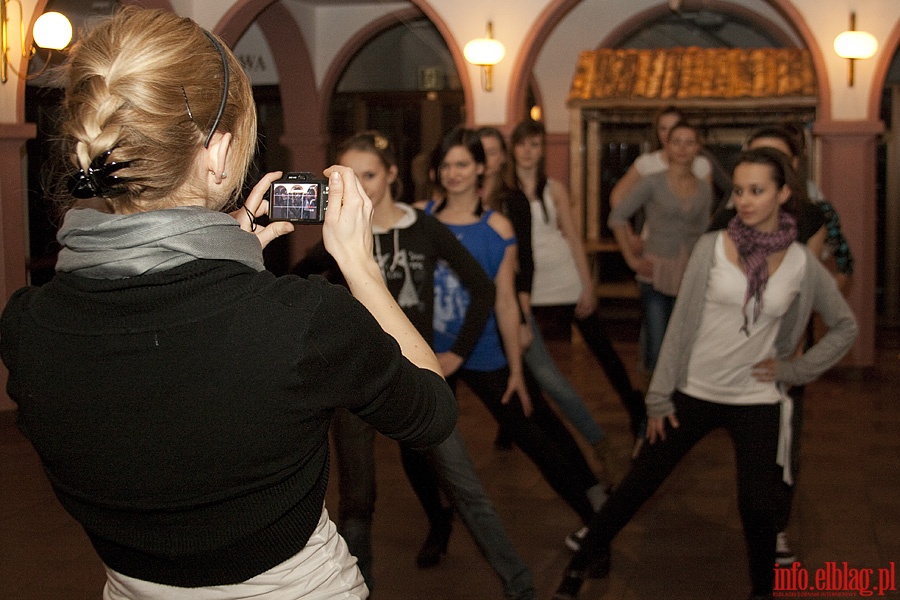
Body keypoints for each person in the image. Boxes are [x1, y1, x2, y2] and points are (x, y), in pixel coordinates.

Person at [0, 8, 457, 600]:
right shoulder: (301, 321)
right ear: (217, 153)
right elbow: (431, 411)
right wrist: (363, 269)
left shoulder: (26, 326)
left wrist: (227, 249)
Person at [554, 148, 858, 600]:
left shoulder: (800, 263)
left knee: (758, 508)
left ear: (783, 194)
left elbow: (844, 326)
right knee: (637, 486)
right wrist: (659, 398)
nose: (745, 200)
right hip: (693, 392)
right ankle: (577, 570)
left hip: (756, 398)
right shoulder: (712, 247)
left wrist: (794, 368)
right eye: (738, 190)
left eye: (757, 190)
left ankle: (762, 591)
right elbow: (680, 328)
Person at [294, 131, 535, 600]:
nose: (360, 186)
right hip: (355, 378)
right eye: (349, 176)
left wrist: (458, 352)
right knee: (357, 501)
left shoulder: (421, 227)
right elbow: (296, 279)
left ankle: (520, 584)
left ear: (391, 175)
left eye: (369, 175)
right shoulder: (339, 237)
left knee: (465, 486)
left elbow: (482, 288)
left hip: (414, 375)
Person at [409, 126, 608, 556]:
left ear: (481, 168)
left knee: (533, 438)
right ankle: (438, 523)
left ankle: (595, 526)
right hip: (430, 353)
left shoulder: (495, 225)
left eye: (463, 164)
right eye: (445, 165)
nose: (453, 173)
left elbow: (503, 301)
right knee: (415, 445)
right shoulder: (419, 216)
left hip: (481, 352)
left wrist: (517, 369)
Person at [609, 120, 714, 377]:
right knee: (657, 347)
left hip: (690, 274)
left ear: (698, 147)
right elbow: (617, 218)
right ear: (667, 145)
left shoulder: (703, 188)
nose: (682, 148)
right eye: (676, 142)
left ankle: (681, 409)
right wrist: (632, 261)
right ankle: (656, 409)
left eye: (689, 142)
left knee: (686, 346)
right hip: (655, 272)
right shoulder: (652, 182)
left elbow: (705, 232)